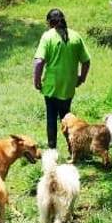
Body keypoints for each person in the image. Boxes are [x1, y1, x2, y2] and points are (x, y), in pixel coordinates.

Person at [33, 9, 90, 149]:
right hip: (69, 86)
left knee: (51, 118)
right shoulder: (75, 36)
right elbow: (86, 61)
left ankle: (52, 148)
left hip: (52, 86)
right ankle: (73, 147)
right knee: (67, 118)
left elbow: (39, 62)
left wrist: (37, 80)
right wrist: (81, 78)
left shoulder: (47, 36)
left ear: (49, 22)